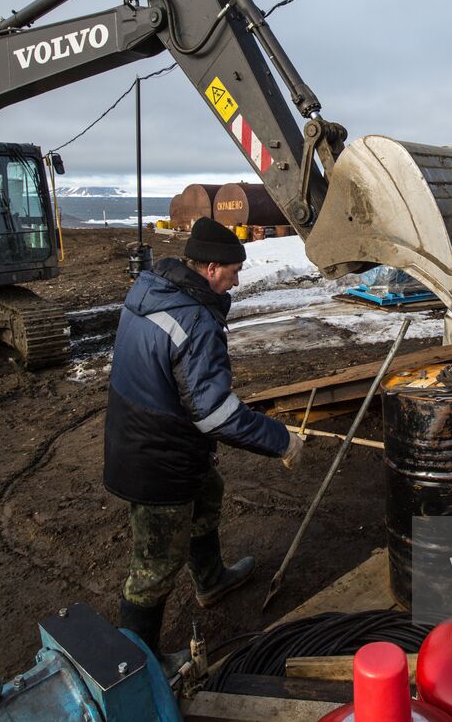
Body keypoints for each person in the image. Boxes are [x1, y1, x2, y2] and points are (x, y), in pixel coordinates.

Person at [105, 218, 302, 658]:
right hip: (155, 455)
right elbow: (215, 413)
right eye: (233, 270)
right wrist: (280, 440)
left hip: (148, 434)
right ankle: (136, 665)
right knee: (154, 565)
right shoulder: (193, 318)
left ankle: (211, 580)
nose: (236, 278)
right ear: (210, 269)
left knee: (207, 493)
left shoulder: (153, 290)